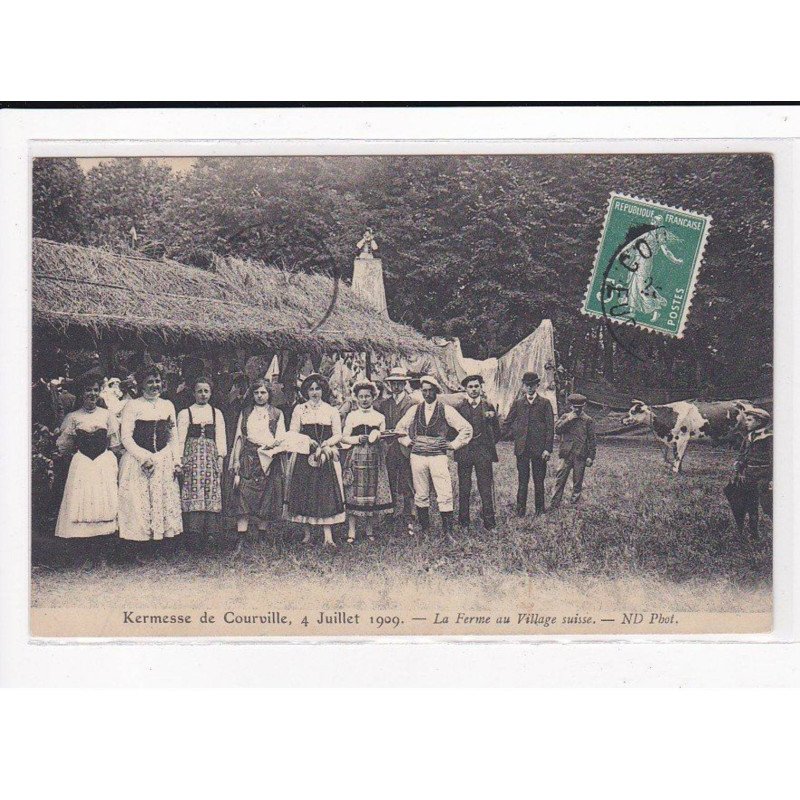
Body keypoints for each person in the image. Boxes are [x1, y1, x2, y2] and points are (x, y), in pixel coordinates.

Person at [54, 369, 122, 567]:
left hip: (102, 463)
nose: (92, 394)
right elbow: (64, 445)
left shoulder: (107, 415)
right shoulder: (73, 417)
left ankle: (102, 555)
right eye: (87, 390)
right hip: (82, 464)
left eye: (95, 390)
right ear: (80, 393)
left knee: (102, 503)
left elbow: (115, 443)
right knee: (82, 504)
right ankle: (83, 554)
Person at [395, 375, 472, 537]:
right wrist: (409, 442)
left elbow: (466, 428)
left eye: (431, 391)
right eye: (424, 391)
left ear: (436, 392)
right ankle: (424, 529)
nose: (427, 394)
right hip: (418, 456)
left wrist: (453, 445)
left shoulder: (446, 409)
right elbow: (399, 429)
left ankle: (448, 532)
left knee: (444, 492)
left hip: (438, 456)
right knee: (421, 492)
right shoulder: (415, 409)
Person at [118, 365, 183, 549]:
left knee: (162, 499)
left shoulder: (167, 405)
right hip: (138, 459)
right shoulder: (132, 405)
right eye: (149, 382)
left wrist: (176, 461)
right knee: (140, 502)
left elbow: (173, 436)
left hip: (163, 458)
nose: (154, 385)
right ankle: (139, 544)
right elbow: (126, 437)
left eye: (157, 381)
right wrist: (143, 457)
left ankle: (161, 543)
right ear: (141, 385)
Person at [286, 373, 346, 547]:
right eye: (310, 389)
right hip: (305, 454)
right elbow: (292, 432)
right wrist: (307, 442)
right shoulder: (300, 409)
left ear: (323, 390)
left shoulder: (331, 410)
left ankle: (328, 536)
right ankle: (307, 534)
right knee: (305, 492)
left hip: (325, 454)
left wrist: (327, 443)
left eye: (317, 388)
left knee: (325, 493)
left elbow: (338, 434)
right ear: (306, 391)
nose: (314, 392)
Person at [228, 379, 287, 549]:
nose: (260, 396)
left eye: (263, 392)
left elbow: (280, 438)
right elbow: (240, 437)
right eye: (256, 393)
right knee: (243, 495)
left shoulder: (277, 414)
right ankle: (241, 536)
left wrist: (272, 448)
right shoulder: (246, 412)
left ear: (269, 394)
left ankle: (262, 535)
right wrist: (236, 459)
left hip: (269, 457)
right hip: (248, 457)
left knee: (267, 496)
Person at [176, 376, 227, 550]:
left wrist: (220, 459)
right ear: (193, 393)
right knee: (193, 490)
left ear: (211, 393)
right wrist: (180, 460)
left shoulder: (216, 413)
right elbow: (180, 440)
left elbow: (221, 438)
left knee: (211, 490)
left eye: (206, 391)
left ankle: (211, 534)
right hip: (193, 457)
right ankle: (193, 534)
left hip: (210, 457)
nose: (203, 395)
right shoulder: (185, 413)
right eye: (200, 391)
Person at [341, 380, 394, 544]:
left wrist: (379, 436)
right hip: (355, 456)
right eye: (361, 396)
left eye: (367, 396)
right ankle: (352, 530)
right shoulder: (352, 416)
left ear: (373, 397)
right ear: (356, 398)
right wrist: (357, 439)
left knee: (371, 493)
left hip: (374, 457)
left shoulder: (379, 417)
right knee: (353, 493)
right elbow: (343, 438)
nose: (364, 400)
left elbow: (385, 439)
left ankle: (369, 529)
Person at [502, 372, 554, 516]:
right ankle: (520, 511)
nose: (530, 388)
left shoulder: (545, 403)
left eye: (532, 385)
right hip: (522, 449)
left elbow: (550, 428)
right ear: (523, 386)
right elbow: (507, 423)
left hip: (539, 450)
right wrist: (494, 438)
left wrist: (547, 449)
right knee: (522, 481)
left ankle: (539, 511)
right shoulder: (518, 403)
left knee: (539, 481)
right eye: (527, 385)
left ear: (537, 385)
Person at [454, 374, 500, 531]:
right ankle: (464, 523)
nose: (473, 390)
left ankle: (490, 524)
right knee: (464, 488)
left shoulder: (488, 406)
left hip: (483, 452)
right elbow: (453, 431)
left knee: (485, 488)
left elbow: (497, 430)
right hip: (465, 453)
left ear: (481, 388)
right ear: (465, 389)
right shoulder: (459, 408)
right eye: (470, 387)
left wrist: (488, 445)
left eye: (476, 386)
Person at [375, 367, 417, 535]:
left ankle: (409, 516)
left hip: (405, 447)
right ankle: (391, 512)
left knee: (407, 481)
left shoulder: (412, 402)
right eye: (393, 384)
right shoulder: (385, 404)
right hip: (390, 448)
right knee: (391, 480)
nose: (396, 387)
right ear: (389, 385)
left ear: (404, 384)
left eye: (399, 383)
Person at [725, 407, 772, 539]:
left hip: (764, 476)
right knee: (751, 504)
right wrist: (738, 464)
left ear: (760, 422)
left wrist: (773, 479)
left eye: (750, 420)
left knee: (768, 506)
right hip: (749, 475)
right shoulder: (748, 437)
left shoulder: (769, 437)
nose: (746, 422)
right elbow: (743, 454)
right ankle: (754, 534)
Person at [551, 393, 596, 507]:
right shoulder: (565, 417)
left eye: (579, 407)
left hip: (580, 455)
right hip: (565, 454)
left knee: (578, 482)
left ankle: (574, 504)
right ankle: (554, 504)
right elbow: (557, 430)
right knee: (560, 480)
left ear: (584, 406)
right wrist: (568, 419)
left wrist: (591, 457)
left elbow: (592, 440)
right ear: (571, 406)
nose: (577, 410)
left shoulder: (588, 420)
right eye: (575, 407)